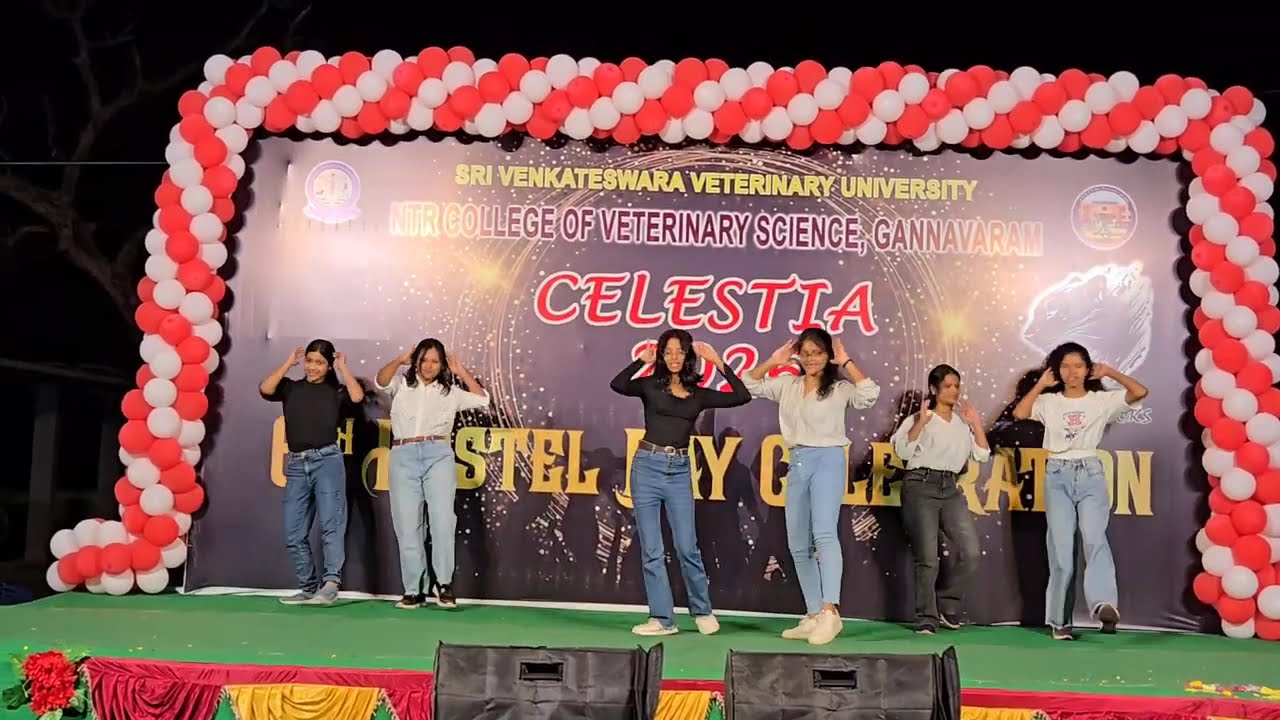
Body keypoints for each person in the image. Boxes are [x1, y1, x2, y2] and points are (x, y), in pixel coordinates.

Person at [609, 329, 752, 636]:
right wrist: (641, 361)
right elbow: (618, 384)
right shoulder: (650, 385)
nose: (674, 357)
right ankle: (663, 619)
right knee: (652, 549)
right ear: (661, 355)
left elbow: (742, 396)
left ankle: (702, 610)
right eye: (668, 351)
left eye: (680, 351)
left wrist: (717, 362)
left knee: (687, 546)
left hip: (679, 471)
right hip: (646, 468)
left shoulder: (698, 394)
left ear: (689, 356)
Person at [743, 327, 880, 645]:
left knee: (824, 534)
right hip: (798, 462)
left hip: (828, 459)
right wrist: (773, 361)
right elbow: (749, 384)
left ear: (827, 355)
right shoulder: (788, 385)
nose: (811, 359)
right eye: (805, 353)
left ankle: (831, 612)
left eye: (817, 353)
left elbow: (869, 393)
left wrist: (846, 361)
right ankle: (814, 612)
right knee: (797, 543)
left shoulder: (839, 389)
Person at [1012, 342, 1147, 640]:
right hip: (1057, 473)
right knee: (1060, 550)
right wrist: (1040, 385)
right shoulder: (1049, 401)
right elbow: (1020, 413)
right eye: (1065, 366)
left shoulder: (1101, 400)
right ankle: (1059, 620)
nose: (1071, 372)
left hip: (1090, 472)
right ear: (1056, 370)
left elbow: (1139, 392)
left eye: (1078, 366)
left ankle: (1103, 604)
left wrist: (1110, 372)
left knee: (1094, 538)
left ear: (1088, 370)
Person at [375, 338, 490, 610]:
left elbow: (482, 399)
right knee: (407, 523)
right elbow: (380, 381)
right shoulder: (402, 385)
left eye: (435, 361)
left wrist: (462, 372)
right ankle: (413, 589)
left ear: (442, 365)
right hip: (403, 455)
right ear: (416, 361)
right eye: (424, 360)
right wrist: (399, 360)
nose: (428, 366)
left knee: (442, 520)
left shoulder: (450, 392)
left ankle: (444, 584)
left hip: (438, 454)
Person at [259, 339, 365, 606]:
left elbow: (357, 397)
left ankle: (331, 584)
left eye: (319, 362)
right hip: (296, 464)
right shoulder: (290, 388)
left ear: (328, 366)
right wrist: (288, 364)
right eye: (309, 361)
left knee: (331, 525)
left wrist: (343, 367)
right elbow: (265, 388)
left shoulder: (336, 392)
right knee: (293, 532)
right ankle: (308, 586)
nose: (312, 367)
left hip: (327, 460)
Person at [890, 364, 989, 635]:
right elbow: (902, 451)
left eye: (957, 386)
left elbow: (982, 454)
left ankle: (946, 603)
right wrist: (921, 423)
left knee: (971, 552)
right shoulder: (919, 418)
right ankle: (927, 617)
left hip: (950, 487)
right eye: (947, 386)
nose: (954, 391)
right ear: (934, 389)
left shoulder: (960, 423)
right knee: (928, 558)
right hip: (920, 485)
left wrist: (976, 424)